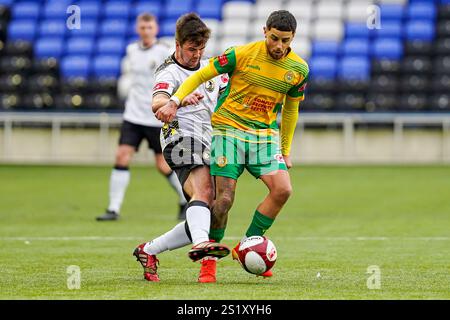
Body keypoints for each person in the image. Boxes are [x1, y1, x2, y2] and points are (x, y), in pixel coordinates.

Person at [156, 10, 309, 278]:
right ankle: (208, 264)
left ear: (293, 37)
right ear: (265, 32)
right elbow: (200, 76)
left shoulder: (299, 69)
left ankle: (248, 245)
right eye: (274, 38)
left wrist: (285, 150)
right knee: (223, 200)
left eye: (285, 40)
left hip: (263, 137)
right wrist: (176, 100)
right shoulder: (240, 54)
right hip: (228, 132)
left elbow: (291, 110)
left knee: (283, 190)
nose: (279, 46)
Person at [133, 13, 230, 283]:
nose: (196, 55)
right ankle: (201, 244)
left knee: (207, 208)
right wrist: (179, 100)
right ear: (178, 44)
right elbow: (158, 103)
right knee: (204, 191)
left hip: (208, 139)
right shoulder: (168, 71)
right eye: (191, 49)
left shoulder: (211, 70)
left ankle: (149, 250)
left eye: (200, 49)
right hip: (178, 137)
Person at [96, 13, 188, 221]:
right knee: (122, 156)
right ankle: (113, 209)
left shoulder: (165, 51)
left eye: (150, 27)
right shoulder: (131, 50)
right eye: (143, 27)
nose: (146, 31)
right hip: (133, 116)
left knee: (162, 165)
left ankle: (185, 199)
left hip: (156, 116)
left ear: (155, 29)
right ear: (138, 29)